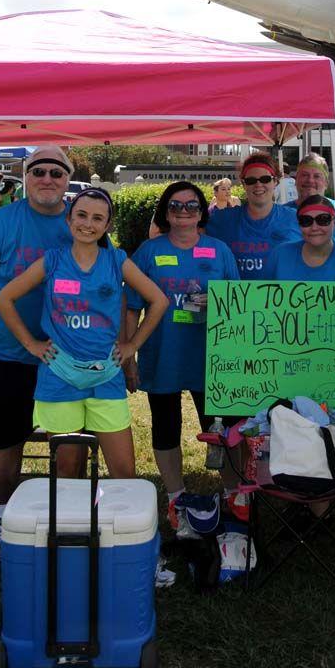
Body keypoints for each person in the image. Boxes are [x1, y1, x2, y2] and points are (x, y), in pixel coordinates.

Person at [0, 146, 87, 559]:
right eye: (38, 171)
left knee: (70, 447)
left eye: (56, 172)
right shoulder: (1, 222)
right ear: (26, 177)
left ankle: (64, 521)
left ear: (68, 179)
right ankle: (3, 520)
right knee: (4, 447)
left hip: (66, 360)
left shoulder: (81, 223)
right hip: (6, 355)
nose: (47, 179)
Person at [0, 188, 168, 478]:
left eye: (97, 218)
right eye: (82, 215)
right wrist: (31, 344)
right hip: (60, 375)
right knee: (68, 469)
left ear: (107, 225)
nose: (88, 224)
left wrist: (131, 346)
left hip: (106, 376)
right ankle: (71, 524)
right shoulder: (53, 260)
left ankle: (117, 523)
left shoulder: (116, 261)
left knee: (124, 471)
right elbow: (3, 298)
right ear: (69, 219)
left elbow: (159, 300)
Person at [124, 181, 241, 525]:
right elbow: (130, 307)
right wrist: (128, 356)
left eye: (192, 206)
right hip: (163, 355)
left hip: (210, 356)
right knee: (165, 426)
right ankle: (176, 497)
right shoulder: (147, 252)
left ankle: (233, 494)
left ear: (202, 211)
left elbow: (238, 305)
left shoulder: (219, 251)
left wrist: (217, 305)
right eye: (176, 206)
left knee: (220, 429)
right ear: (165, 212)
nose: (184, 212)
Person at [206, 150, 300, 278]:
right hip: (234, 297)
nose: (258, 185)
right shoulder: (222, 219)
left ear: (276, 181)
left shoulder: (296, 219)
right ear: (244, 184)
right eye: (251, 180)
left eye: (265, 179)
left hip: (282, 297)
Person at [264, 195, 335, 282]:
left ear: (334, 222)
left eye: (323, 219)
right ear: (299, 225)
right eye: (306, 221)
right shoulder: (279, 255)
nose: (314, 227)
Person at [290, 153, 335, 256]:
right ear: (295, 180)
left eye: (317, 176)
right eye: (304, 175)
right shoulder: (282, 213)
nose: (310, 180)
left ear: (326, 183)